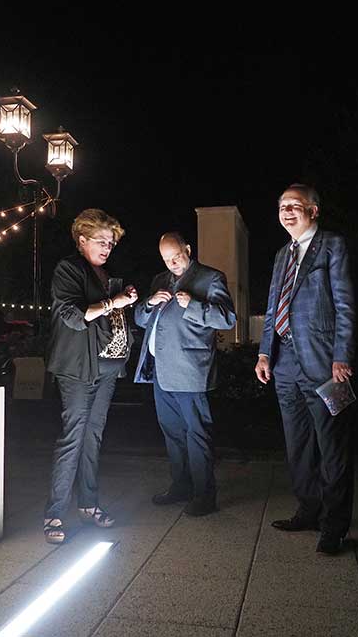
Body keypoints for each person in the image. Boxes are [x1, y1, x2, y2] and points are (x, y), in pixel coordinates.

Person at [255, 184, 357, 554]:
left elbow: (345, 305)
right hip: (283, 363)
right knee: (297, 444)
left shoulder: (332, 245)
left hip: (324, 364)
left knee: (332, 447)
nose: (286, 211)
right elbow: (272, 308)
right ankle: (308, 510)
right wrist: (265, 353)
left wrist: (341, 355)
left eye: (295, 205)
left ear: (313, 210)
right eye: (282, 205)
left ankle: (335, 526)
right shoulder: (283, 253)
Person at [42, 208, 138, 543]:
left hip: (109, 369)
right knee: (73, 436)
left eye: (110, 242)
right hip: (79, 369)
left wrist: (129, 302)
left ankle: (88, 504)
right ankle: (55, 512)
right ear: (82, 240)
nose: (107, 247)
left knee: (93, 437)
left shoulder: (107, 274)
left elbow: (116, 311)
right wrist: (115, 302)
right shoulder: (69, 269)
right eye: (100, 240)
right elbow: (72, 315)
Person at [134, 232, 236, 516]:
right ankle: (181, 485)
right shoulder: (160, 281)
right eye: (167, 260)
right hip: (160, 372)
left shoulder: (211, 278)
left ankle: (205, 495)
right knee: (172, 433)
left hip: (191, 372)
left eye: (176, 257)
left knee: (197, 434)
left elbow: (226, 318)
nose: (173, 264)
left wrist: (191, 304)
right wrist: (150, 303)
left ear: (188, 249)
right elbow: (141, 319)